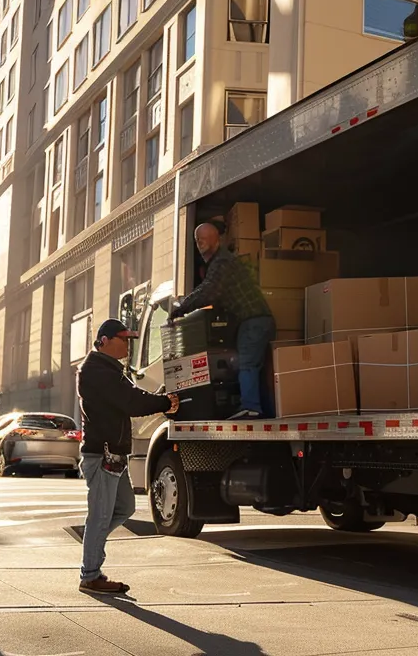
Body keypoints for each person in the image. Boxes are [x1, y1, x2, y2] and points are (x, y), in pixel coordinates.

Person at [76, 319, 178, 594]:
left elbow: (131, 395)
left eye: (130, 339)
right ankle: (90, 574)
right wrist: (164, 403)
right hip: (102, 455)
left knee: (124, 508)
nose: (127, 344)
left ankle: (92, 548)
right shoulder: (96, 370)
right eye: (123, 339)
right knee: (99, 516)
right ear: (104, 341)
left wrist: (160, 399)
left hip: (114, 455)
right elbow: (130, 401)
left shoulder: (111, 370)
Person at [171, 222, 273, 419]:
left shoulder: (222, 262)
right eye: (197, 239)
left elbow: (209, 290)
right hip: (257, 321)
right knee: (256, 368)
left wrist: (181, 308)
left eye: (204, 238)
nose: (200, 242)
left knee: (248, 364)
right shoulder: (221, 263)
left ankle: (251, 408)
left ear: (216, 240)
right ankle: (265, 411)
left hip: (253, 321)